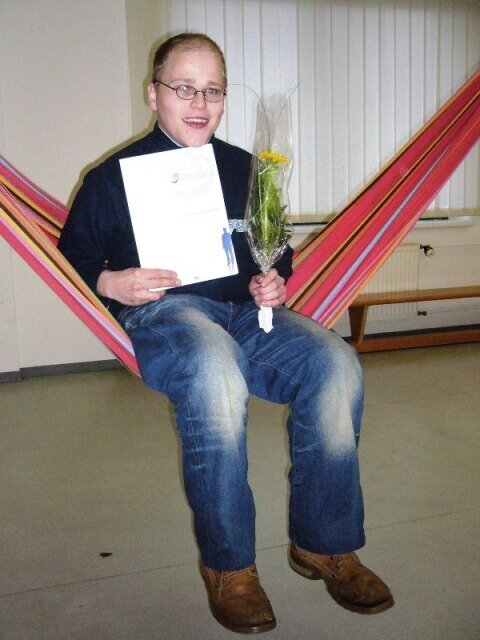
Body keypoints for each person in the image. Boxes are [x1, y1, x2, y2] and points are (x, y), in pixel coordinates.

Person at [59, 32, 393, 634]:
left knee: (334, 363)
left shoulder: (246, 168)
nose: (199, 103)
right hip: (167, 314)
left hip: (246, 313)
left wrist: (275, 278)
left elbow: (275, 247)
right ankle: (229, 566)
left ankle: (324, 543)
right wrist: (112, 282)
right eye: (184, 88)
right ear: (153, 94)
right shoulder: (111, 179)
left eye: (213, 91)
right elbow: (72, 257)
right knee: (214, 371)